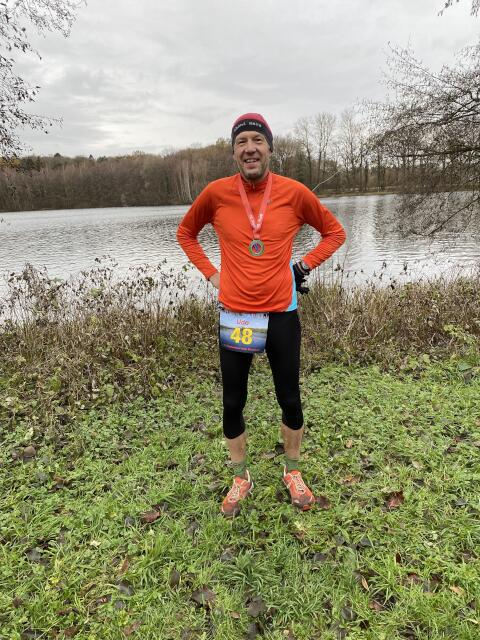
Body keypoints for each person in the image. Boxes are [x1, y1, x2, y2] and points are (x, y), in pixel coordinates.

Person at [177, 113, 346, 517]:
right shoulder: (216, 194)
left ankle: (292, 471)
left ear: (270, 148)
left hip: (281, 314)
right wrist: (213, 275)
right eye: (241, 142)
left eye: (257, 140)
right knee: (232, 401)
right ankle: (241, 477)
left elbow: (335, 233)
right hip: (237, 316)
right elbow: (186, 233)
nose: (249, 148)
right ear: (234, 152)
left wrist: (302, 267)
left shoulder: (294, 192)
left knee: (290, 397)